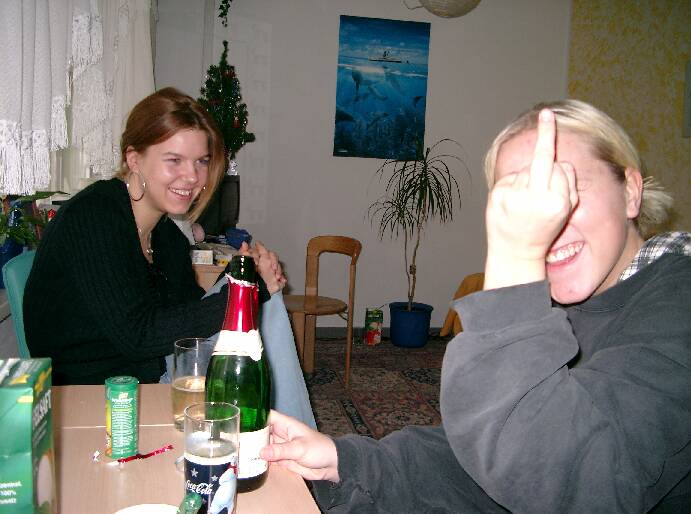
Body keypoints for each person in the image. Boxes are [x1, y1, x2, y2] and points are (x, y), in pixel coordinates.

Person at [257, 100, 691, 512]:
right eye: (520, 198)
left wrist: (517, 257)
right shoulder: (575, 306)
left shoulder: (679, 299)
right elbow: (490, 455)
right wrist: (347, 461)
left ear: (631, 192)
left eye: (564, 186)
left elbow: (572, 484)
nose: (546, 220)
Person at [24, 88, 286, 387]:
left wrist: (240, 274)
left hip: (147, 376)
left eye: (201, 161)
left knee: (258, 307)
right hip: (92, 393)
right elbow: (139, 336)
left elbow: (188, 312)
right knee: (258, 308)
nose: (192, 176)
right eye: (174, 160)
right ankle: (274, 414)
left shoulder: (166, 235)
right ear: (134, 159)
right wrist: (250, 293)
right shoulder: (93, 216)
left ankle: (273, 414)